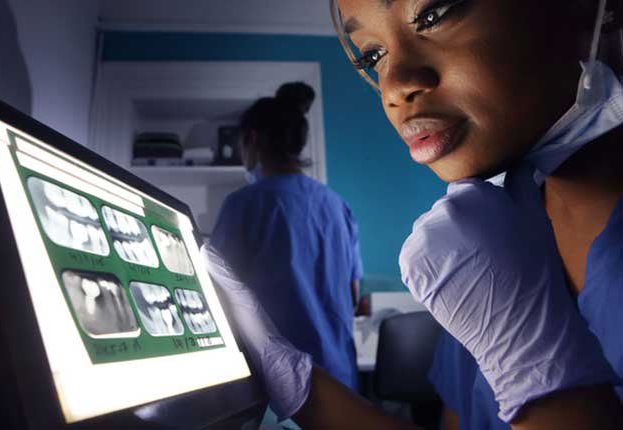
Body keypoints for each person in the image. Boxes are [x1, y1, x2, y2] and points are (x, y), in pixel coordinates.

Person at [202, 0, 623, 429]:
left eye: (432, 15)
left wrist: (540, 377)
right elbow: (355, 293)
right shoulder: (486, 252)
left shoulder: (244, 204)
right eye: (373, 56)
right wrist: (299, 382)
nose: (393, 88)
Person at [209, 82, 364, 391]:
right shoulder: (337, 206)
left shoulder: (245, 204)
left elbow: (215, 298)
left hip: (282, 390)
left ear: (251, 139)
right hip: (340, 386)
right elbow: (354, 297)